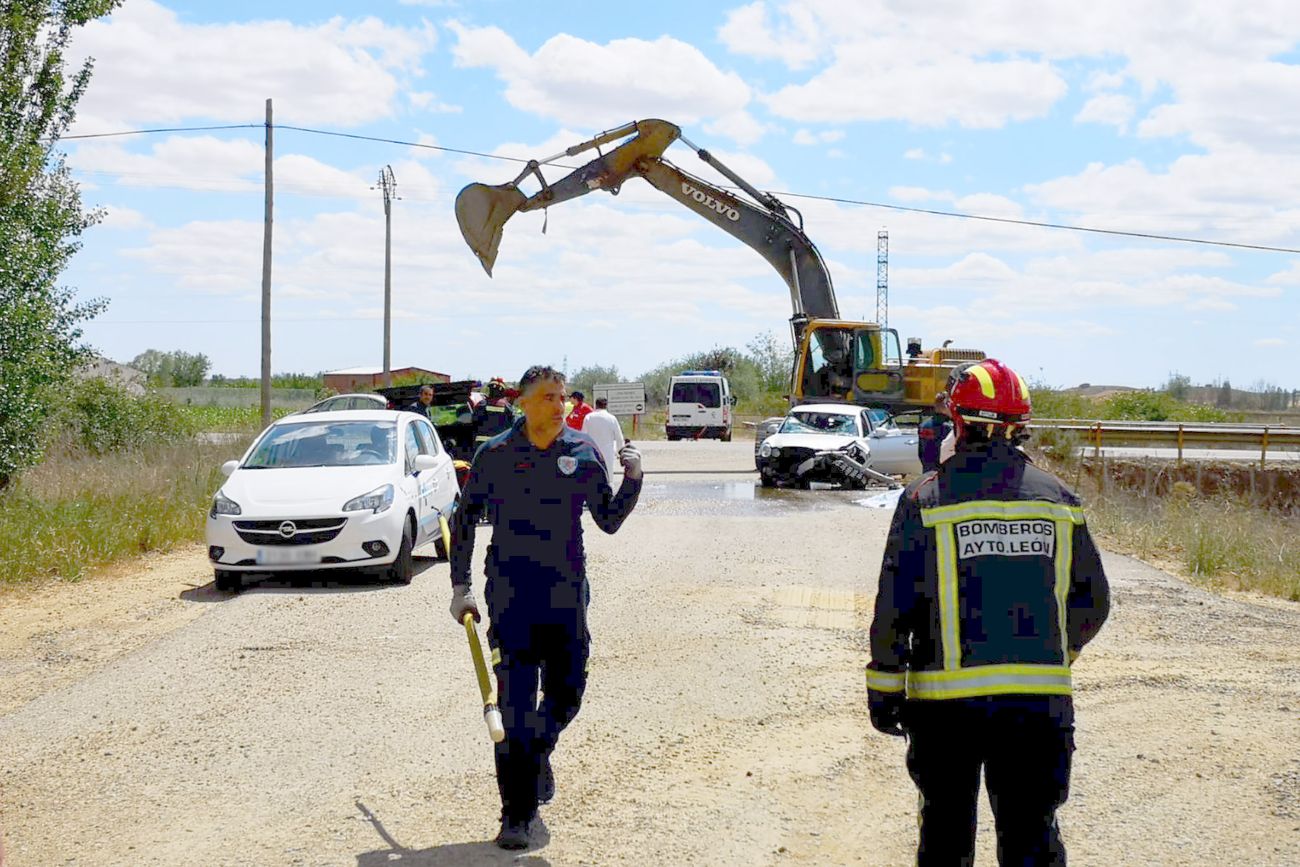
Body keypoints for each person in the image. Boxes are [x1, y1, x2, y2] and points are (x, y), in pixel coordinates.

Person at [866, 358, 1110, 867]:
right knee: (1032, 841)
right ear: (1018, 428)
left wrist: (885, 691)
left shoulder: (926, 499)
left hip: (946, 711)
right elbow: (1093, 602)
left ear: (958, 422)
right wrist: (1055, 650)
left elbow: (896, 606)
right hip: (1038, 708)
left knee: (946, 839)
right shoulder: (1060, 500)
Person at [448, 365, 643, 851]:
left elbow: (609, 521)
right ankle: (516, 816)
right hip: (511, 597)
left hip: (566, 595)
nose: (560, 406)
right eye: (549, 398)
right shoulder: (493, 455)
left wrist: (634, 478)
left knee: (568, 691)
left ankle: (538, 750)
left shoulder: (582, 452)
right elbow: (465, 521)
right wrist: (460, 586)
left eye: (562, 398)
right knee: (513, 711)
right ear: (523, 403)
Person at [580, 397, 626, 479]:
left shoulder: (588, 417)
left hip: (592, 452)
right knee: (608, 476)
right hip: (608, 452)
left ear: (595, 405)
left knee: (592, 475)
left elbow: (583, 436)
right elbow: (619, 437)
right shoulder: (612, 418)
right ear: (606, 405)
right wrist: (620, 451)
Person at [472, 378, 517, 449]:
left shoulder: (481, 405)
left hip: (481, 446)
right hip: (500, 445)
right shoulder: (508, 407)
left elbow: (473, 422)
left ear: (490, 390)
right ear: (502, 392)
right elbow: (513, 427)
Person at [916, 392, 952, 473]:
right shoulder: (949, 427)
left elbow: (921, 452)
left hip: (928, 470)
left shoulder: (924, 425)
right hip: (943, 471)